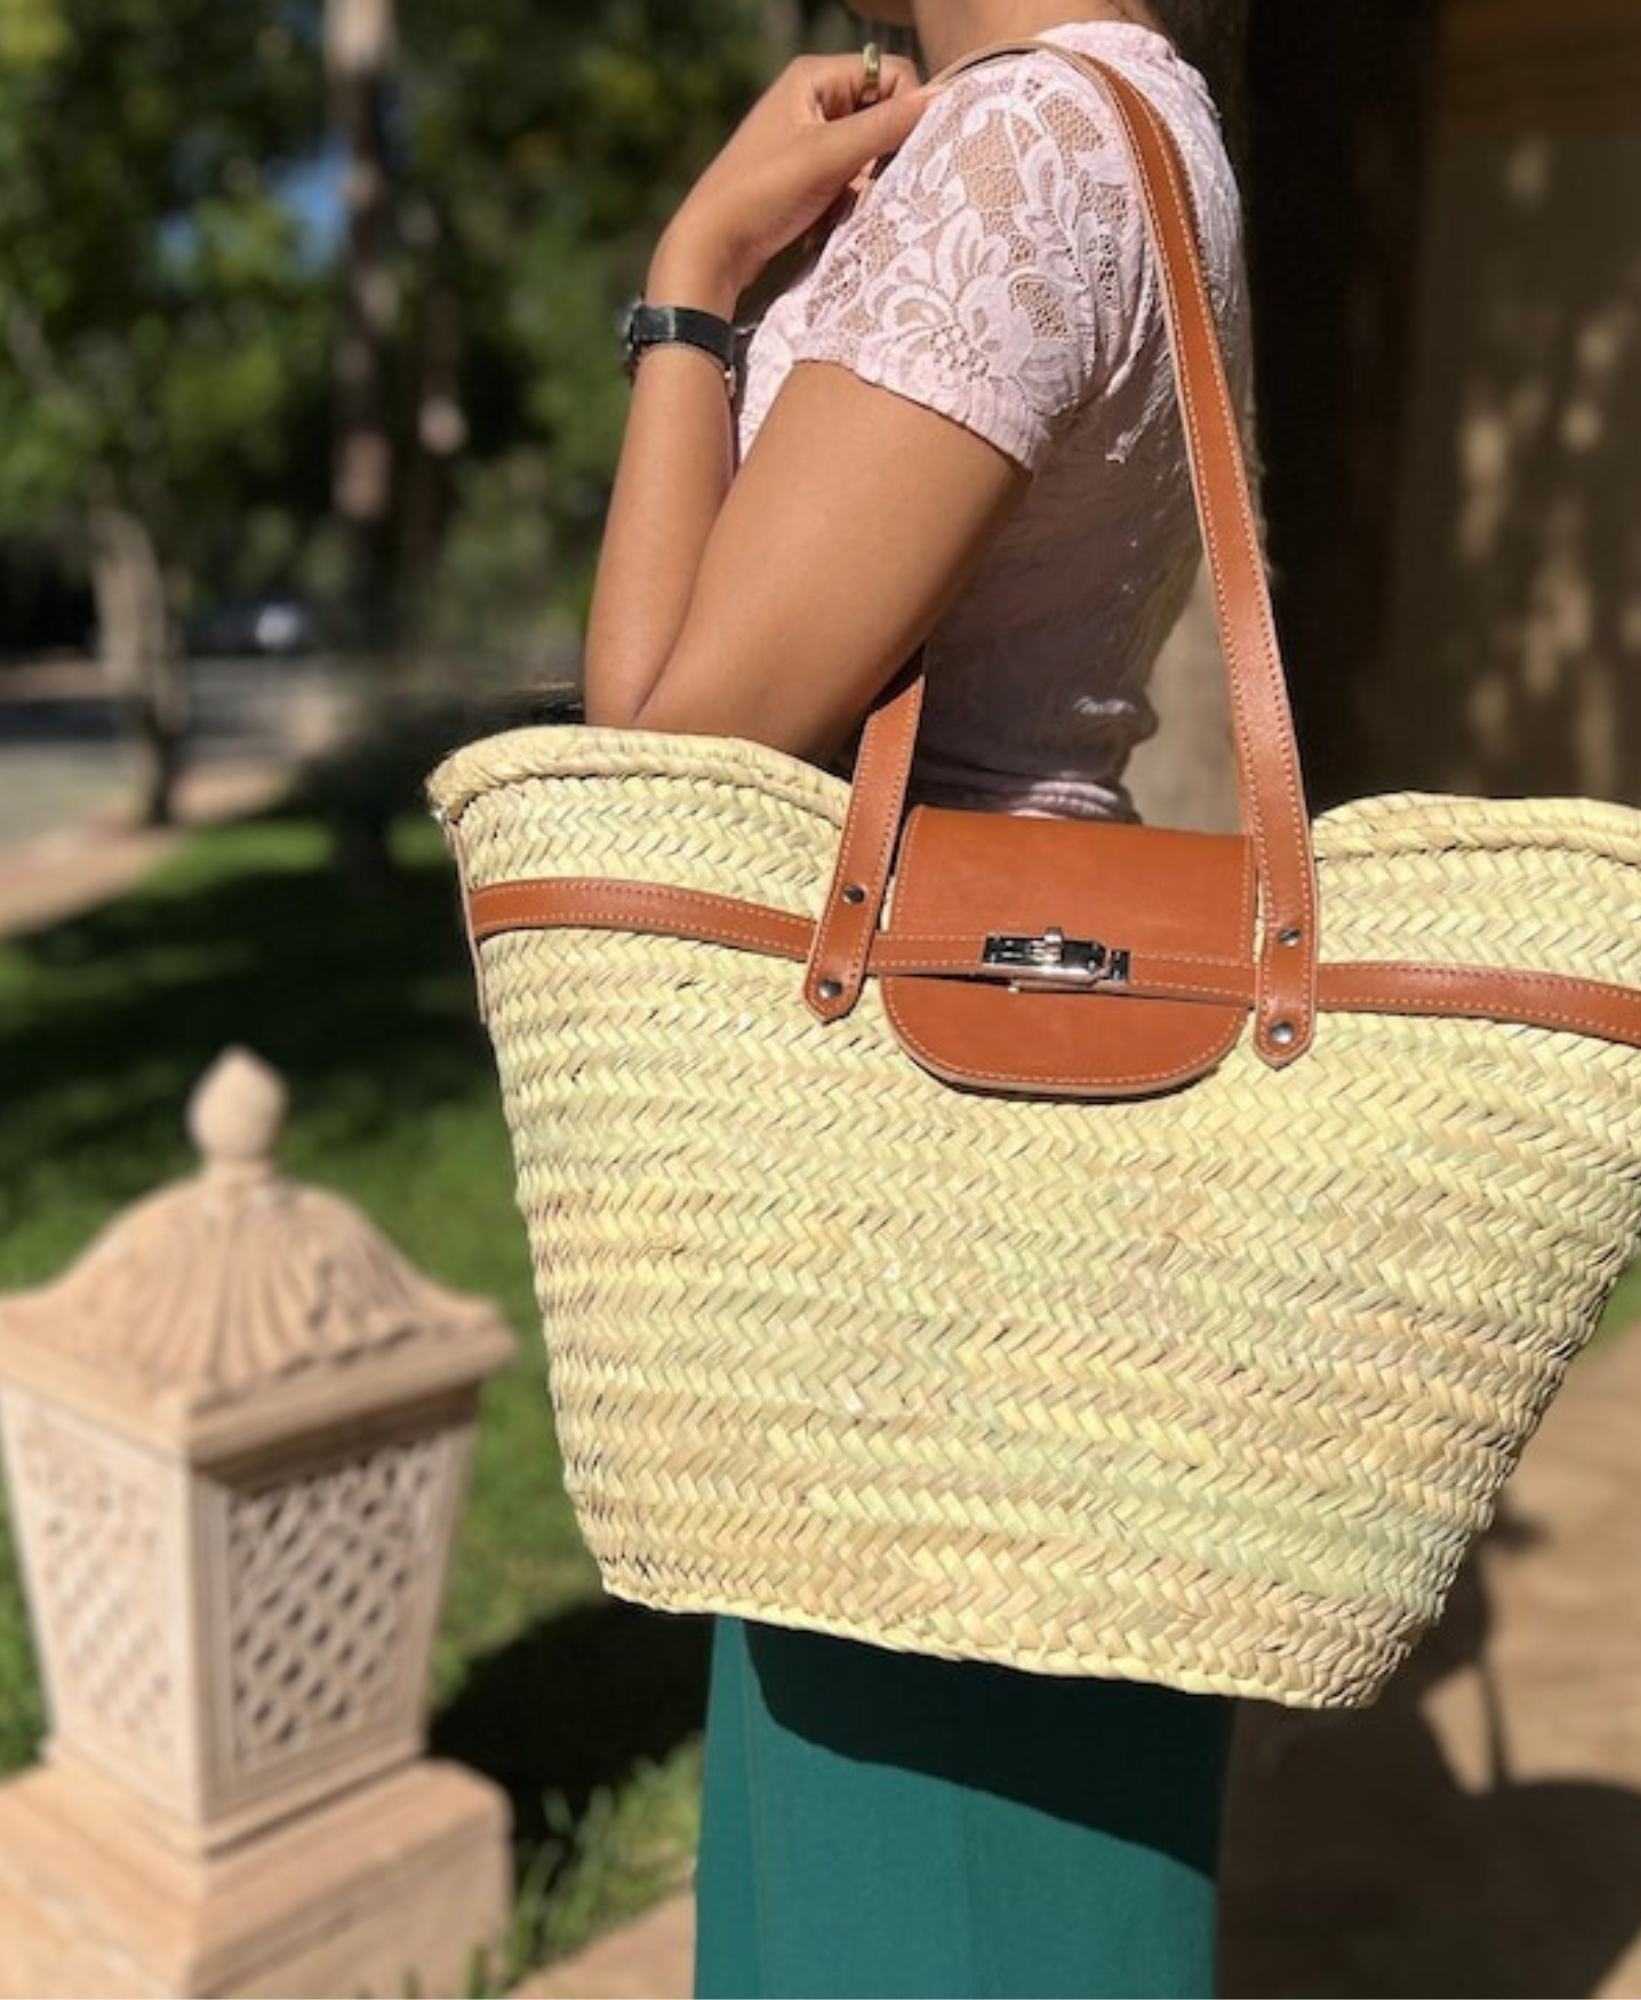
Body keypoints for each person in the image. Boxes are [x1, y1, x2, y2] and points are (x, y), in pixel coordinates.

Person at [581, 3, 1251, 1992]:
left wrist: (693, 286)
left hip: (918, 1186)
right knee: (1010, 1866)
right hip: (1026, 1121)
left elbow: (667, 761)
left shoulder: (1022, 147)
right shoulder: (1152, 123)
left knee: (916, 1878)